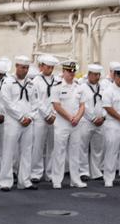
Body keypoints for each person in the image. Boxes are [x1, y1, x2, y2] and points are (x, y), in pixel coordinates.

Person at [0, 56, 38, 191]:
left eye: (27, 68)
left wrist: (30, 117)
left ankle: (24, 181)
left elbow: (35, 103)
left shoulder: (31, 83)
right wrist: (21, 117)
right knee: (9, 151)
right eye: (22, 67)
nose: (25, 70)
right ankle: (5, 181)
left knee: (27, 151)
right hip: (13, 121)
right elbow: (6, 102)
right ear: (16, 66)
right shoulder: (8, 82)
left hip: (28, 121)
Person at [51, 60, 86, 188]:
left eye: (73, 71)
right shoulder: (57, 86)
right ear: (63, 72)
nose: (71, 74)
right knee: (59, 152)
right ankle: (56, 180)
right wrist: (70, 117)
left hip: (76, 124)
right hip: (62, 124)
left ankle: (75, 179)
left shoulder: (79, 87)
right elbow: (56, 105)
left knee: (75, 152)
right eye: (69, 71)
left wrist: (77, 117)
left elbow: (82, 105)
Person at [30, 55, 60, 183]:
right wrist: (46, 114)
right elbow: (35, 100)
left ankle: (50, 173)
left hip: (54, 116)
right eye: (48, 67)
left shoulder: (57, 80)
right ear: (41, 66)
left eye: (52, 67)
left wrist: (53, 114)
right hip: (40, 117)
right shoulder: (35, 81)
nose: (50, 69)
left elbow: (58, 99)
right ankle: (35, 173)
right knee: (38, 146)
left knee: (53, 146)